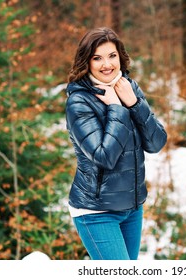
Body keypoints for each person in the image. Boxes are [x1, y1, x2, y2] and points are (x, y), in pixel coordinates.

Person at [65, 27, 167, 260]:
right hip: (96, 211)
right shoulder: (79, 102)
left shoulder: (128, 88)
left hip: (132, 207)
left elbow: (156, 143)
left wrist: (133, 103)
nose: (107, 64)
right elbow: (104, 157)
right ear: (87, 62)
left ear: (120, 56)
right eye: (97, 58)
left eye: (112, 56)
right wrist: (117, 109)